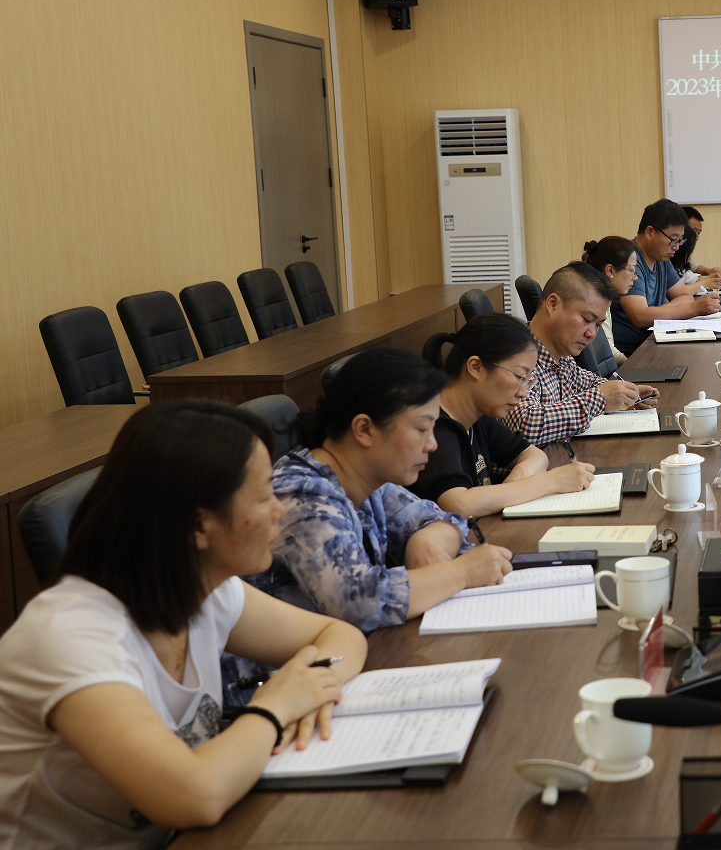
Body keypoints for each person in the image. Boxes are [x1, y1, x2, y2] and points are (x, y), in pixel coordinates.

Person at [0, 401, 368, 846]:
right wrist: (275, 708)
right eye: (263, 496)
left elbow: (340, 635)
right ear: (198, 524)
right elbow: (195, 797)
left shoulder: (207, 589)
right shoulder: (69, 637)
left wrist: (314, 688)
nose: (279, 510)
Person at [247, 348, 514, 634]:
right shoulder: (303, 497)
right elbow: (358, 603)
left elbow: (442, 519)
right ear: (364, 429)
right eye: (422, 429)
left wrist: (427, 541)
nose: (432, 444)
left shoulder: (366, 477)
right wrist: (460, 573)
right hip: (298, 660)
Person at [413, 313, 596, 520]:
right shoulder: (435, 425)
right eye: (519, 377)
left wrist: (516, 485)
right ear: (476, 367)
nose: (524, 392)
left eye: (528, 381)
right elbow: (458, 504)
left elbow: (534, 455)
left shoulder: (478, 416)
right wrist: (549, 482)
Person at [507, 261, 657, 447]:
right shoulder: (513, 355)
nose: (591, 333)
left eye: (598, 325)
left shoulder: (561, 355)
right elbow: (524, 426)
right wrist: (600, 399)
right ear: (553, 304)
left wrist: (624, 394)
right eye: (587, 319)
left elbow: (586, 382)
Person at [613, 198, 721, 356]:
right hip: (632, 354)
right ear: (650, 232)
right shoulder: (629, 260)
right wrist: (693, 309)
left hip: (655, 343)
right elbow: (640, 317)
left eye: (680, 240)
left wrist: (654, 313)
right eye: (673, 239)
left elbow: (685, 296)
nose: (676, 247)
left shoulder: (661, 259)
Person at [582, 235, 642, 362]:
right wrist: (634, 365)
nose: (635, 277)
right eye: (631, 270)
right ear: (610, 270)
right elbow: (607, 352)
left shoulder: (603, 296)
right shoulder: (593, 301)